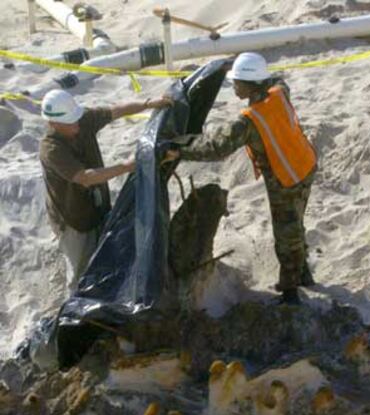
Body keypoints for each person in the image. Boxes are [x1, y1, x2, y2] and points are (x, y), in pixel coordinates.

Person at [164, 52, 317, 305]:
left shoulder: (250, 121)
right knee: (296, 222)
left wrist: (179, 148)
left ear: (250, 85)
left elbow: (216, 147)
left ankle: (291, 293)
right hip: (305, 164)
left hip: (286, 178)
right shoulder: (279, 91)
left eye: (237, 81)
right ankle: (303, 274)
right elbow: (276, 78)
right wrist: (236, 64)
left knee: (286, 235)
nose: (233, 86)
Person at [39, 89, 172, 293]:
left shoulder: (82, 120)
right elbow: (85, 177)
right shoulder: (52, 150)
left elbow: (116, 111)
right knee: (79, 272)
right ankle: (75, 311)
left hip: (96, 206)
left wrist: (148, 103)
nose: (76, 125)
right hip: (73, 219)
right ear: (53, 124)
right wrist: (127, 166)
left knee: (101, 255)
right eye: (70, 123)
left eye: (76, 119)